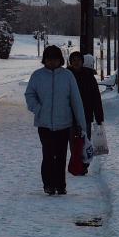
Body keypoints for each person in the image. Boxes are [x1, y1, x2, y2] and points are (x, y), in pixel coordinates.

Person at [24, 45, 86, 196]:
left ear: (61, 60)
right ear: (44, 60)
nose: (52, 62)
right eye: (49, 59)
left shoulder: (67, 76)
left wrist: (81, 123)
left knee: (61, 155)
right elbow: (29, 94)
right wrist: (37, 108)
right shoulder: (37, 76)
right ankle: (48, 185)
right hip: (44, 124)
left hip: (64, 123)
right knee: (48, 154)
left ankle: (61, 185)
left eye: (55, 59)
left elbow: (75, 100)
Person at [68, 51, 104, 139]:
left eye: (78, 60)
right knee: (73, 144)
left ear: (82, 61)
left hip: (86, 115)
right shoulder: (66, 76)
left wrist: (99, 117)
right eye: (74, 60)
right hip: (69, 116)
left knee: (85, 142)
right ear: (70, 62)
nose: (76, 62)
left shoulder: (89, 76)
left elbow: (96, 97)